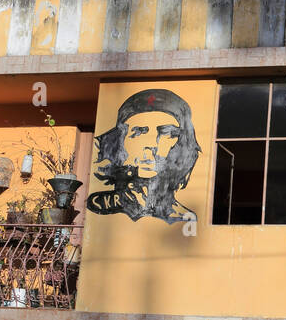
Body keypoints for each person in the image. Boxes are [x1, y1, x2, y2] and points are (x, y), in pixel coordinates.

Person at [86, 88, 201, 225]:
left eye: (167, 133)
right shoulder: (102, 204)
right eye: (138, 132)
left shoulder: (183, 217)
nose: (152, 145)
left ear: (181, 144)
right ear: (120, 141)